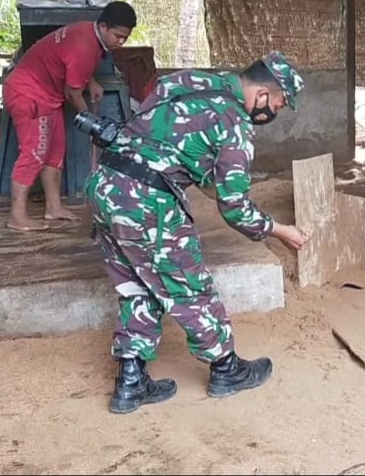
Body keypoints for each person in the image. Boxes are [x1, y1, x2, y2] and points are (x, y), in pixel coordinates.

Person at [84, 51, 309, 414]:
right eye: (279, 105)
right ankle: (226, 368)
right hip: (147, 200)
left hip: (105, 185)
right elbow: (234, 205)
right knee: (191, 288)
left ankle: (130, 382)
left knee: (137, 283)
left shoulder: (189, 81)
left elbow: (144, 121)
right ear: (264, 95)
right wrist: (279, 230)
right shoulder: (234, 122)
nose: (274, 113)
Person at [2, 0, 137, 231]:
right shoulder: (84, 46)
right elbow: (72, 92)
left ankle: (53, 208)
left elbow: (72, 64)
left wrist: (91, 82)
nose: (121, 42)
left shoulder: (88, 32)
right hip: (30, 94)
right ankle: (17, 217)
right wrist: (91, 121)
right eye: (117, 36)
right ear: (103, 26)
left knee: (55, 153)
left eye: (125, 37)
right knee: (34, 153)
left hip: (47, 96)